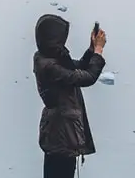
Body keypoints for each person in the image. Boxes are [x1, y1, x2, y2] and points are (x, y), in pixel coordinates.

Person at [33, 14, 107, 177]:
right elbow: (87, 77)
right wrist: (98, 52)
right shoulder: (49, 66)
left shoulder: (48, 57)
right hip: (61, 134)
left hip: (59, 132)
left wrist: (91, 50)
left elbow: (77, 67)